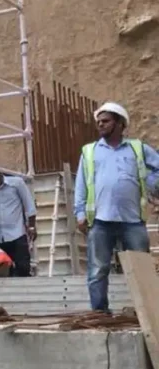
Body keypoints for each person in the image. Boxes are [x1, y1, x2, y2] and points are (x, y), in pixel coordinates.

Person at [74, 102, 159, 312]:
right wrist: (80, 212)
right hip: (100, 221)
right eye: (99, 122)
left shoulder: (137, 148)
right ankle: (100, 313)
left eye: (106, 121)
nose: (100, 125)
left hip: (132, 221)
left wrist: (150, 184)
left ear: (120, 123)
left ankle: (148, 314)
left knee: (142, 270)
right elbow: (81, 184)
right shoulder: (89, 151)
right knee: (98, 270)